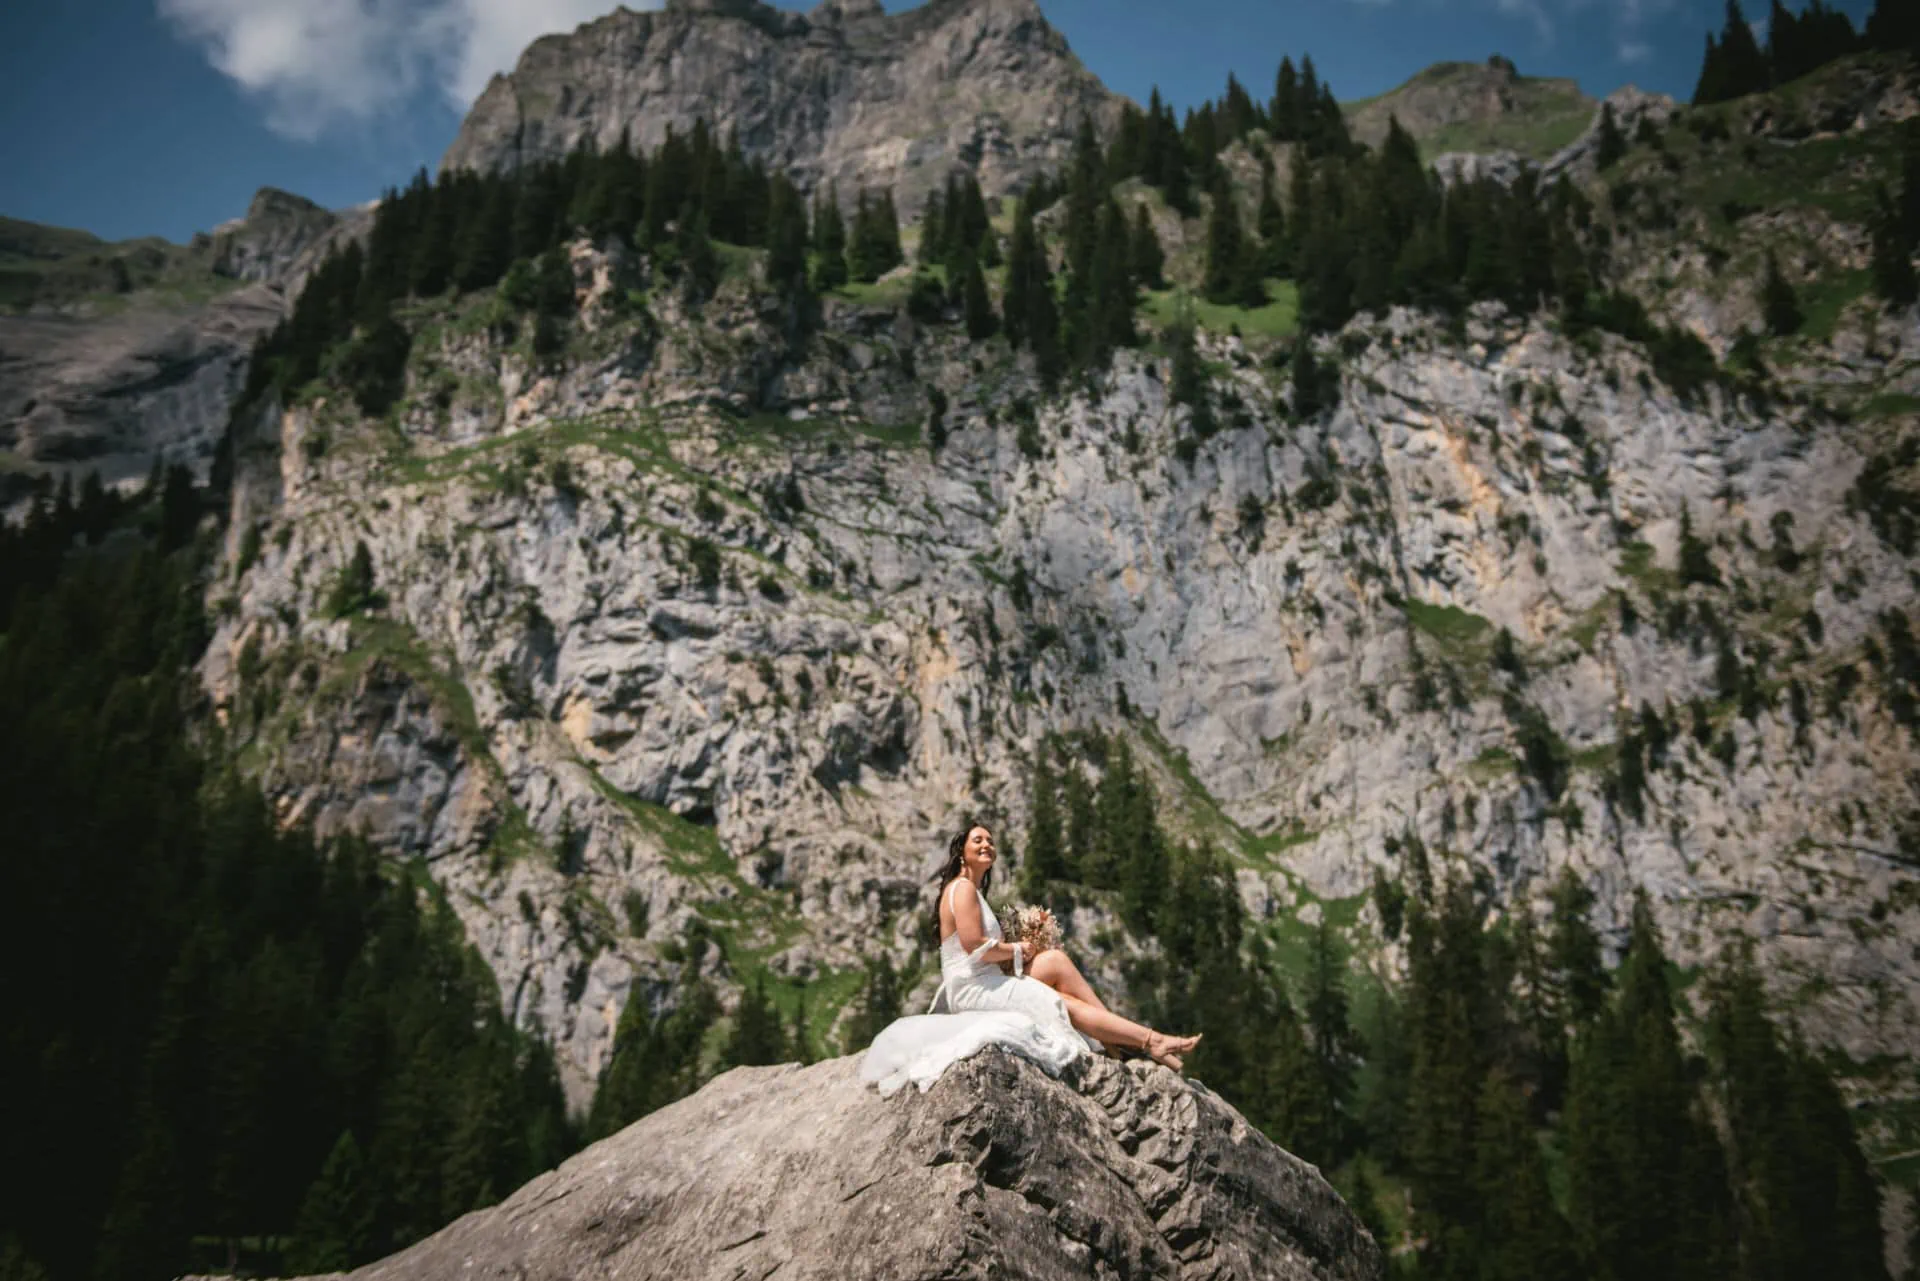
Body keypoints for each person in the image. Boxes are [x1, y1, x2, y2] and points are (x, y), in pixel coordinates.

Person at [931, 821, 1201, 1072]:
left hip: (986, 980)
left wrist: (1019, 945)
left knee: (1056, 961)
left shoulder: (971, 891)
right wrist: (1017, 950)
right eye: (978, 840)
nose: (987, 844)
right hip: (973, 990)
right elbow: (974, 946)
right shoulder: (963, 888)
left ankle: (1120, 1041)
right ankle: (1147, 1041)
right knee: (1059, 1001)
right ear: (961, 853)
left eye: (990, 840)